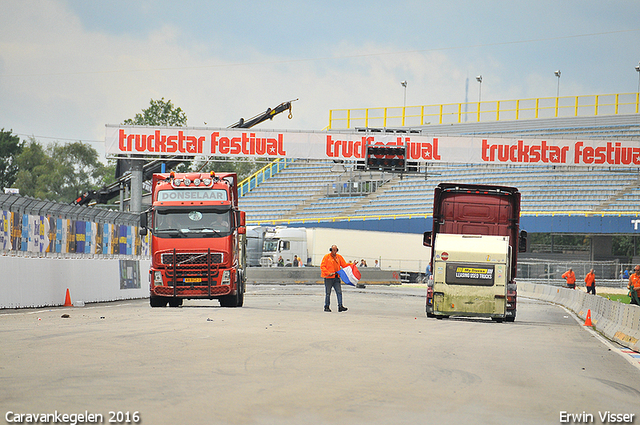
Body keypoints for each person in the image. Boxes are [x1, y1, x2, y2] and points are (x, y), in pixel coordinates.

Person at [320, 245, 348, 312]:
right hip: (328, 278)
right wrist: (328, 273)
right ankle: (326, 306)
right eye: (333, 250)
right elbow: (322, 266)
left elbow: (344, 265)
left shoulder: (339, 257)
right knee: (328, 293)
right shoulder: (326, 257)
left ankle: (340, 306)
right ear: (331, 250)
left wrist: (352, 264)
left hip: (336, 277)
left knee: (339, 292)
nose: (335, 251)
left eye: (336, 250)